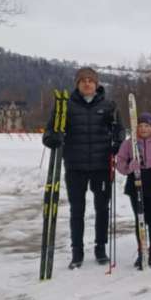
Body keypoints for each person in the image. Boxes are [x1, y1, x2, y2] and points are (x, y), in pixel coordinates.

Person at [42, 67, 124, 269]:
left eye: (91, 80)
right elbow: (49, 134)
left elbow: (120, 131)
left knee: (102, 209)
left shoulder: (109, 106)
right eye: (83, 80)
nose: (87, 83)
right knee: (77, 210)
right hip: (75, 166)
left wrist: (117, 142)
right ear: (77, 84)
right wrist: (53, 138)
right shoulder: (65, 107)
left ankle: (100, 248)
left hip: (101, 166)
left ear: (96, 84)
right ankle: (77, 252)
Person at [115, 112, 151, 269]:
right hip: (136, 182)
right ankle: (142, 252)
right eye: (140, 126)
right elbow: (119, 162)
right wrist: (129, 167)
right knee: (140, 217)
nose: (143, 128)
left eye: (146, 125)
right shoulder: (129, 143)